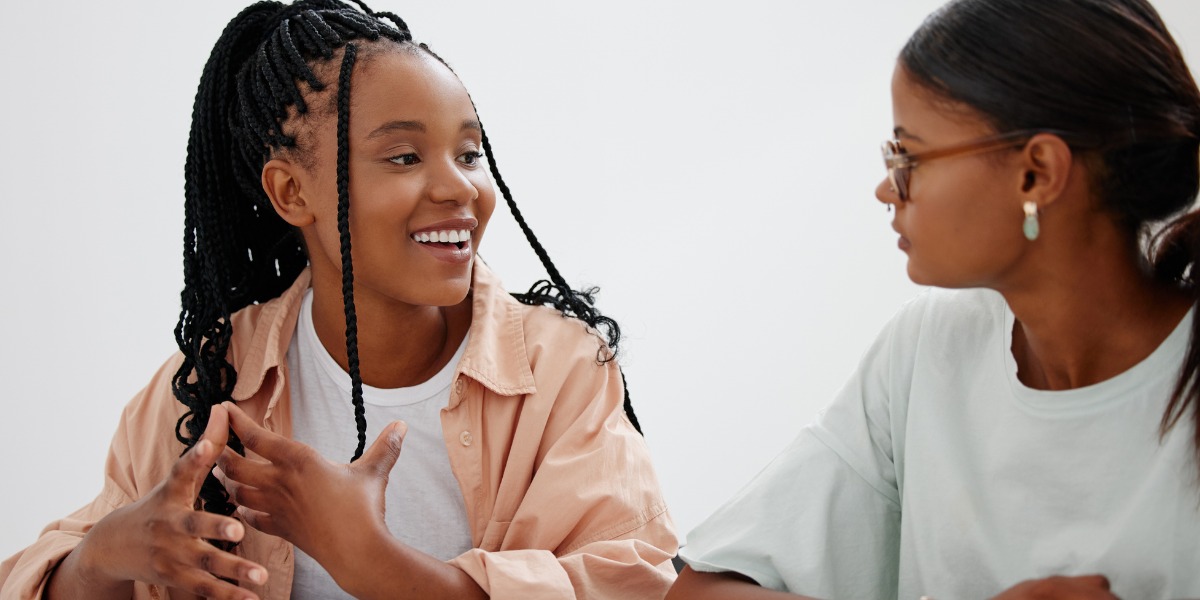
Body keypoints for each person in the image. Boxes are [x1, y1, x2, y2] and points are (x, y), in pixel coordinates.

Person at [0, 2, 676, 599]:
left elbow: (636, 584)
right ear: (293, 193)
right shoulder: (214, 380)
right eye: (405, 158)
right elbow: (39, 573)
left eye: (469, 154)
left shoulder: (562, 371)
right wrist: (103, 558)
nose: (459, 188)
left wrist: (372, 562)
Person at [668, 0, 1200, 598]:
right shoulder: (928, 348)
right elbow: (700, 591)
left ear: (1037, 172)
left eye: (909, 156)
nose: (885, 188)